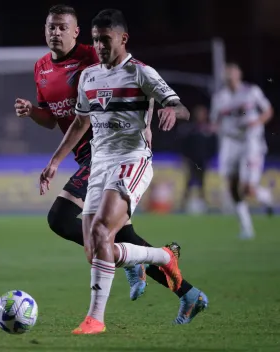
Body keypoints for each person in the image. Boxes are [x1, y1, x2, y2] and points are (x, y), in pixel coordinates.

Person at [15, 4, 207, 324]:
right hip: (90, 156)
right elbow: (56, 119)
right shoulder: (42, 68)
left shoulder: (93, 55)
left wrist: (149, 118)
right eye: (51, 27)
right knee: (118, 239)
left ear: (77, 32)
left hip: (108, 154)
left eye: (63, 27)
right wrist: (33, 113)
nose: (56, 32)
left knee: (66, 220)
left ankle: (103, 309)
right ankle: (186, 291)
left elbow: (129, 75)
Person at [210, 63, 274, 239]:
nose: (230, 75)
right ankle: (247, 228)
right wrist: (213, 128)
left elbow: (268, 110)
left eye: (232, 71)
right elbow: (215, 120)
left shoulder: (251, 91)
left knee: (247, 188)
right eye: (227, 72)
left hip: (250, 142)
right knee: (232, 186)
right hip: (230, 143)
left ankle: (264, 196)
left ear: (239, 73)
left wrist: (257, 122)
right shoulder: (219, 97)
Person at [178, 105, 217, 212]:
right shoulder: (190, 129)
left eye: (202, 114)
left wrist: (210, 157)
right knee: (188, 182)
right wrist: (185, 158)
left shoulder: (209, 130)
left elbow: (212, 146)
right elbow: (184, 145)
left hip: (203, 160)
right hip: (191, 160)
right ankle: (183, 204)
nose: (200, 116)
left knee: (203, 182)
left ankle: (204, 204)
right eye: (198, 113)